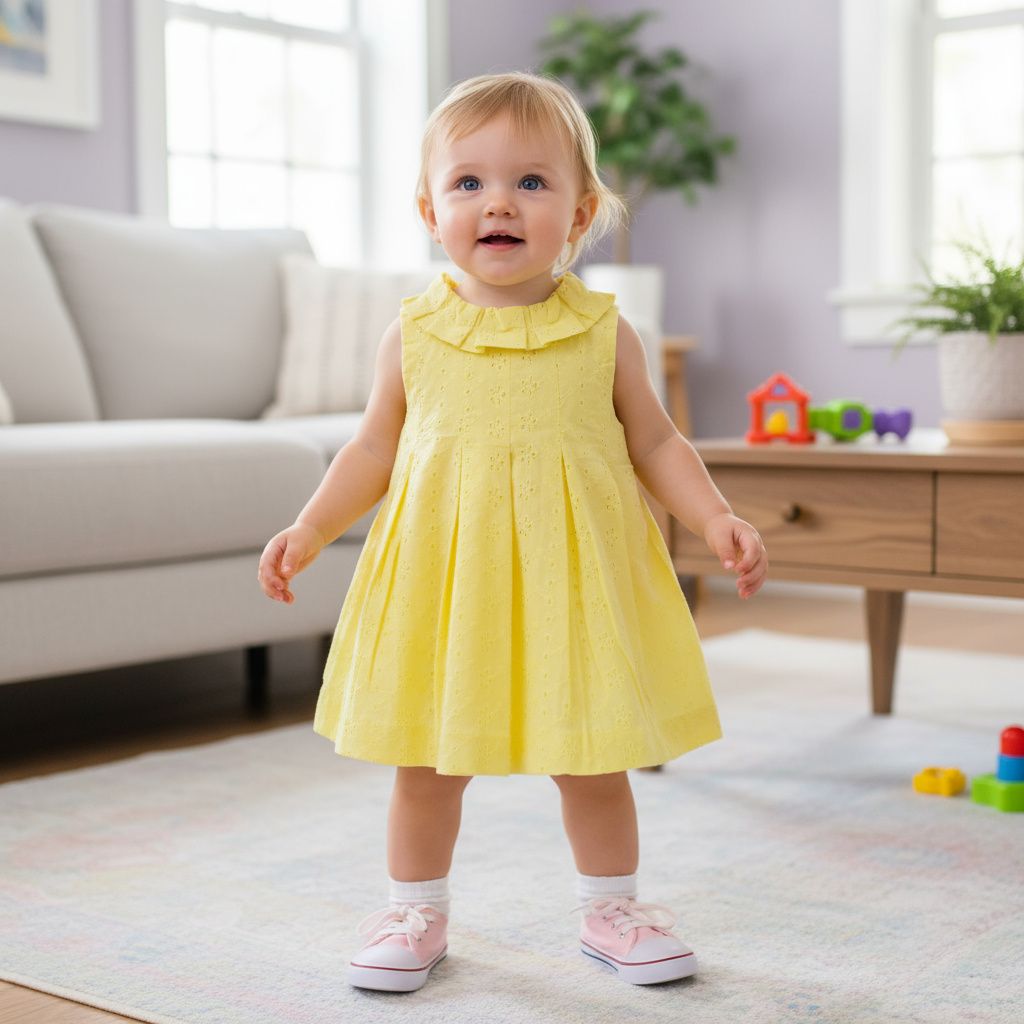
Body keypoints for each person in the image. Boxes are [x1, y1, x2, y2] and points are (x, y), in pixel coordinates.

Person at [257, 70, 767, 993]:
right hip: (446, 581)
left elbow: (655, 440)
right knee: (426, 759)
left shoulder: (605, 333)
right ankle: (416, 908)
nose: (499, 202)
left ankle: (612, 907)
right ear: (430, 209)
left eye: (532, 183)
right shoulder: (413, 332)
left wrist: (714, 514)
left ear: (579, 216)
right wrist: (308, 525)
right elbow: (373, 451)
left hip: (573, 579)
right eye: (469, 183)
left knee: (594, 751)